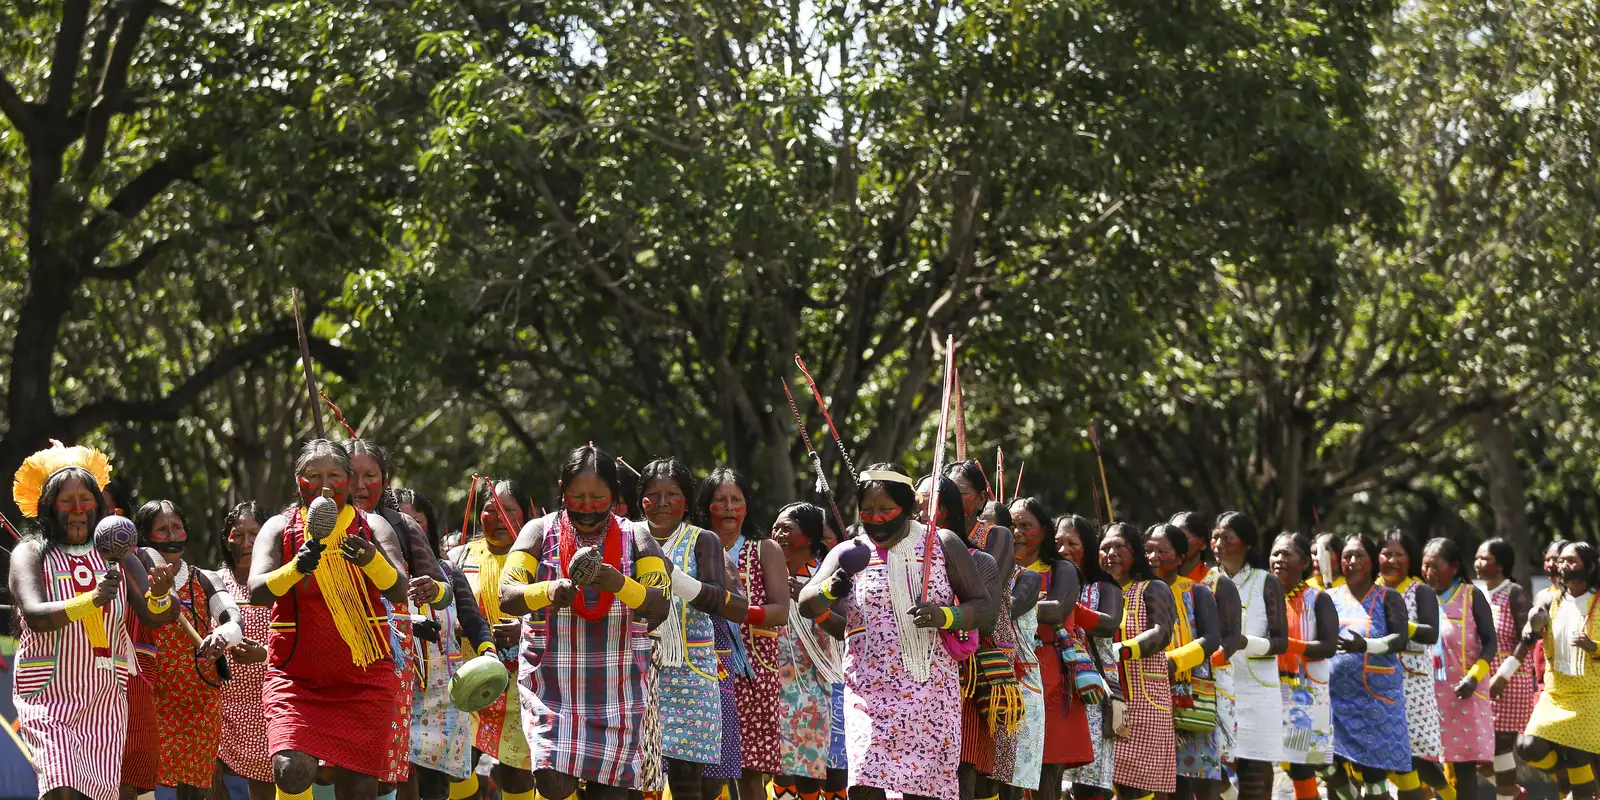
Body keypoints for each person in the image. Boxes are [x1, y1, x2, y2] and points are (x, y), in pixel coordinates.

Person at [797, 463, 990, 800]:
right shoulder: (849, 551)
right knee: (864, 783)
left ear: (910, 506)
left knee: (924, 791)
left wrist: (945, 615)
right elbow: (806, 604)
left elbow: (984, 608)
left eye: (886, 509)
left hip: (930, 695)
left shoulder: (941, 543)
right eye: (867, 510)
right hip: (867, 694)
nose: (876, 518)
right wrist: (832, 587)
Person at [497, 443, 671, 800]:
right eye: (578, 497)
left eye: (598, 497)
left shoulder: (637, 536)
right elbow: (507, 595)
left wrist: (617, 583)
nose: (588, 508)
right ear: (562, 491)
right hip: (553, 687)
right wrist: (547, 590)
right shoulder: (537, 531)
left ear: (616, 495)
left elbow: (659, 607)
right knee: (553, 783)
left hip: (618, 688)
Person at [248, 438, 413, 800]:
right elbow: (257, 592)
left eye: (334, 475)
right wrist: (295, 568)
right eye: (314, 475)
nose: (324, 485)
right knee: (291, 772)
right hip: (297, 679)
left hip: (364, 679)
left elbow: (399, 590)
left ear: (349, 481)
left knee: (358, 792)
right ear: (298, 481)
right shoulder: (280, 527)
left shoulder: (373, 528)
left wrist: (371, 559)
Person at [9, 443, 176, 800]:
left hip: (104, 700)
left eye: (85, 499)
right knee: (63, 788)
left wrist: (160, 594)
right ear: (47, 507)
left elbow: (153, 614)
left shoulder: (119, 555)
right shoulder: (31, 553)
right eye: (66, 501)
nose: (77, 509)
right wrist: (91, 600)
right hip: (49, 698)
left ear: (98, 506)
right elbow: (35, 615)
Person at [636, 458, 745, 800]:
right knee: (637, 777)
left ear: (687, 501)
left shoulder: (703, 540)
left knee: (687, 780)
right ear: (643, 501)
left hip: (691, 671)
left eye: (673, 494)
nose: (663, 502)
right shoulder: (628, 535)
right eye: (654, 495)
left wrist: (675, 576)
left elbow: (716, 599)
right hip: (635, 668)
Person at [132, 500, 243, 800]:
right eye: (161, 529)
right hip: (152, 696)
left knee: (195, 789)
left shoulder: (205, 579)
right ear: (145, 536)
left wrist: (222, 636)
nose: (171, 535)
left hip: (200, 701)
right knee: (143, 783)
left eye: (176, 527)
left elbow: (233, 619)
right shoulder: (134, 580)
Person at [698, 467, 789, 800]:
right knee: (705, 773)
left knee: (751, 772)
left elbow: (781, 610)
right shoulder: (692, 546)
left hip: (754, 673)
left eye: (736, 500)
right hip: (703, 668)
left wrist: (737, 611)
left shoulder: (765, 549)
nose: (729, 508)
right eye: (720, 500)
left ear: (747, 506)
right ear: (707, 505)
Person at [400, 488, 495, 800]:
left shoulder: (448, 571)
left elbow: (473, 621)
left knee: (435, 788)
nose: (410, 531)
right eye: (402, 523)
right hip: (397, 691)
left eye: (418, 523)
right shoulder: (382, 573)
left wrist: (488, 654)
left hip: (443, 698)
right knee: (400, 784)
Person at [447, 480, 538, 800]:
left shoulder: (535, 559)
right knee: (454, 767)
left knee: (516, 775)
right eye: (491, 510)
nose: (499, 518)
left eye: (508, 510)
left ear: (525, 516)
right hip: (470, 678)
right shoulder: (459, 556)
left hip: (522, 684)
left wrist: (524, 627)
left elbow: (556, 610)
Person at [919, 474, 1006, 800]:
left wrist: (946, 615)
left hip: (963, 682)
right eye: (914, 504)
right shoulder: (893, 559)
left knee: (960, 772)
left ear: (949, 511)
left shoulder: (979, 559)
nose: (917, 513)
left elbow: (986, 618)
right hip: (906, 684)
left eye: (928, 505)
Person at [1509, 540, 1600, 799]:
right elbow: (1529, 635)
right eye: (1562, 561)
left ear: (1591, 566)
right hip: (1556, 692)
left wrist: (1593, 646)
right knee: (1528, 745)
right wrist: (1532, 627)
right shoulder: (1547, 598)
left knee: (1577, 757)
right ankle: (1568, 776)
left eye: (1571, 561)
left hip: (1590, 695)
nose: (1563, 566)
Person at [770, 502, 848, 800]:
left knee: (832, 768)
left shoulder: (826, 577)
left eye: (787, 528)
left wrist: (807, 600)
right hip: (779, 685)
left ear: (812, 535)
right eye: (776, 527)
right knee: (787, 768)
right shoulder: (763, 573)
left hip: (824, 684)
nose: (779, 534)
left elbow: (844, 628)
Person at [1326, 534, 1411, 800]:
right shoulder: (1328, 598)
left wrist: (1366, 646)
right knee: (1324, 763)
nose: (1351, 561)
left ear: (1372, 561)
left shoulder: (1388, 597)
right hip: (1333, 699)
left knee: (1373, 776)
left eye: (1358, 555)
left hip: (1375, 700)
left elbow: (1400, 639)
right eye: (1346, 556)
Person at [1208, 512, 1286, 800]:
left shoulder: (1265, 582)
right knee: (1208, 769)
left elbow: (1280, 641)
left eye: (1227, 537)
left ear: (1247, 543)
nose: (1218, 543)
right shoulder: (1205, 581)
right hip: (1213, 686)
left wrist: (1245, 642)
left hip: (1255, 690)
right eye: (1215, 536)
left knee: (1252, 772)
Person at [1097, 522, 1178, 800]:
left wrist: (1120, 650)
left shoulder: (1151, 588)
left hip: (1143, 701)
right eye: (1104, 548)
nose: (1111, 553)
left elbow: (1161, 633)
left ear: (1137, 552)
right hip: (1104, 700)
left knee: (1136, 784)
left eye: (1120, 546)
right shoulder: (1094, 592)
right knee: (1103, 781)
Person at [1145, 524, 1222, 800]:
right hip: (1146, 692)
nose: (1153, 557)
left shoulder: (1197, 592)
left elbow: (1212, 639)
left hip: (1187, 693)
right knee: (1152, 777)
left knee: (1189, 776)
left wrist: (1173, 662)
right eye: (1148, 550)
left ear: (1179, 557)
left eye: (1161, 551)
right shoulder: (1138, 590)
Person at [1168, 511, 1240, 800]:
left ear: (1200, 543)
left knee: (1207, 766)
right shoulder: (1158, 581)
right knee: (1175, 767)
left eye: (1181, 538)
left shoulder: (1218, 583)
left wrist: (1197, 664)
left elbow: (1231, 639)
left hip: (1210, 680)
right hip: (1169, 677)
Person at [1420, 538, 1494, 800]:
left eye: (1434, 565)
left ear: (1453, 567)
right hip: (1426, 695)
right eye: (1424, 565)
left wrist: (1474, 677)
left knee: (1463, 766)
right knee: (1415, 756)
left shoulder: (1471, 596)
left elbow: (1490, 643)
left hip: (1463, 693)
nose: (1428, 571)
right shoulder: (1419, 597)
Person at [1268, 532, 1337, 800]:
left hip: (1306, 691)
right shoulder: (1264, 598)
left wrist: (1289, 645)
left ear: (1305, 562)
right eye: (1276, 553)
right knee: (1269, 759)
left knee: (1302, 765)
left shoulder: (1318, 599)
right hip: (1269, 688)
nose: (1279, 560)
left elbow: (1329, 646)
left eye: (1287, 554)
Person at [1057, 515, 1122, 800]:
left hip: (1093, 687)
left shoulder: (1104, 586)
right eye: (1058, 543)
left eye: (1073, 543)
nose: (1064, 550)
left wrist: (1071, 607)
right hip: (1057, 684)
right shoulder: (1049, 578)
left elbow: (1109, 624)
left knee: (1091, 778)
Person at [215, 502, 276, 800]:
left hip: (269, 705)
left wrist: (263, 654)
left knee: (265, 787)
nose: (246, 542)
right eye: (237, 534)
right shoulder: (214, 582)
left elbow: (298, 644)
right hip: (223, 705)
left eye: (255, 534)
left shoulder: (278, 583)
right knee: (217, 786)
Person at [1378, 530, 1443, 797]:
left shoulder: (1420, 591)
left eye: (1398, 554)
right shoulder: (1370, 589)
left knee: (1413, 756)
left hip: (1412, 684)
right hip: (1375, 682)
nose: (1391, 560)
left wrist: (1403, 627)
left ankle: (1450, 795)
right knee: (1383, 754)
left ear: (1410, 558)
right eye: (1386, 553)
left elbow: (1431, 633)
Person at [993, 498, 1046, 797]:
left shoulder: (1027, 577)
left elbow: (1001, 610)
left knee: (1011, 779)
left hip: (1020, 684)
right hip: (982, 683)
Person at [1477, 537, 1536, 800]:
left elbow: (1529, 637)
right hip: (1481, 680)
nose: (1478, 563)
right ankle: (1513, 793)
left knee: (1501, 746)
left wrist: (1504, 675)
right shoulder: (1476, 594)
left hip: (1510, 680)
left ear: (1501, 564)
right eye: (1476, 558)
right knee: (1477, 753)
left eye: (1484, 559)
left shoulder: (1514, 592)